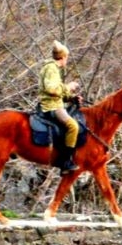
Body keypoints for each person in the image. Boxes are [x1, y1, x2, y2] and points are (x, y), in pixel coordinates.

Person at [38, 40, 81, 173]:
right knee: (73, 127)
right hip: (51, 106)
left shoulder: (53, 68)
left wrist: (71, 97)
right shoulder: (51, 68)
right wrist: (68, 86)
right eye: (66, 58)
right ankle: (65, 162)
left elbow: (57, 92)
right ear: (63, 57)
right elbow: (51, 89)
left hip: (55, 102)